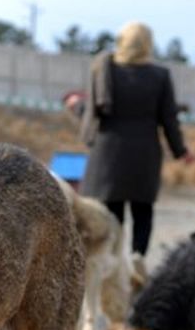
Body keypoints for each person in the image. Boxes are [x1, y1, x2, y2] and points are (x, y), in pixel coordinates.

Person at [79, 21, 188, 258]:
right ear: (148, 44)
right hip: (144, 153)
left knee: (111, 213)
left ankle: (114, 263)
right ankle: (138, 260)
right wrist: (180, 150)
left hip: (108, 153)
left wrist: (75, 106)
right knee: (143, 211)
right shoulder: (160, 76)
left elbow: (92, 110)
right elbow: (169, 119)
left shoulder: (103, 70)